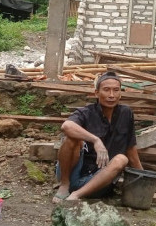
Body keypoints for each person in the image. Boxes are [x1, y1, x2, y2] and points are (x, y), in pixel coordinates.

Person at [54, 71, 142, 203]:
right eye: (106, 90)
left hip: (99, 182)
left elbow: (131, 149)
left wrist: (143, 176)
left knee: (121, 159)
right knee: (71, 139)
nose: (111, 95)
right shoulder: (86, 112)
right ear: (96, 93)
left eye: (116, 90)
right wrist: (96, 140)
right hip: (74, 173)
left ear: (120, 93)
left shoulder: (126, 113)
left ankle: (77, 195)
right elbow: (67, 126)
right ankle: (64, 185)